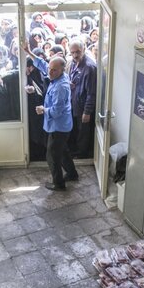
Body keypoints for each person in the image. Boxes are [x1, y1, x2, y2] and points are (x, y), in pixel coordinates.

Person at [23, 42, 78, 190]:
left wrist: (43, 110)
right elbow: (42, 64)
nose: (50, 72)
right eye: (50, 69)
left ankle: (59, 184)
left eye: (53, 70)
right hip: (62, 125)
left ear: (61, 70)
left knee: (52, 156)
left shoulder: (60, 87)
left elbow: (56, 111)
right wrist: (28, 51)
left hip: (59, 126)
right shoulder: (58, 73)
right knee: (63, 151)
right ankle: (72, 174)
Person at [68, 38, 97, 158]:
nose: (75, 55)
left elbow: (92, 93)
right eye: (72, 52)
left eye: (78, 52)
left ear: (84, 50)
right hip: (75, 104)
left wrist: (87, 112)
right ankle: (77, 151)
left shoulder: (90, 67)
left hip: (83, 107)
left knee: (83, 132)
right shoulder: (73, 63)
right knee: (77, 131)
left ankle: (82, 154)